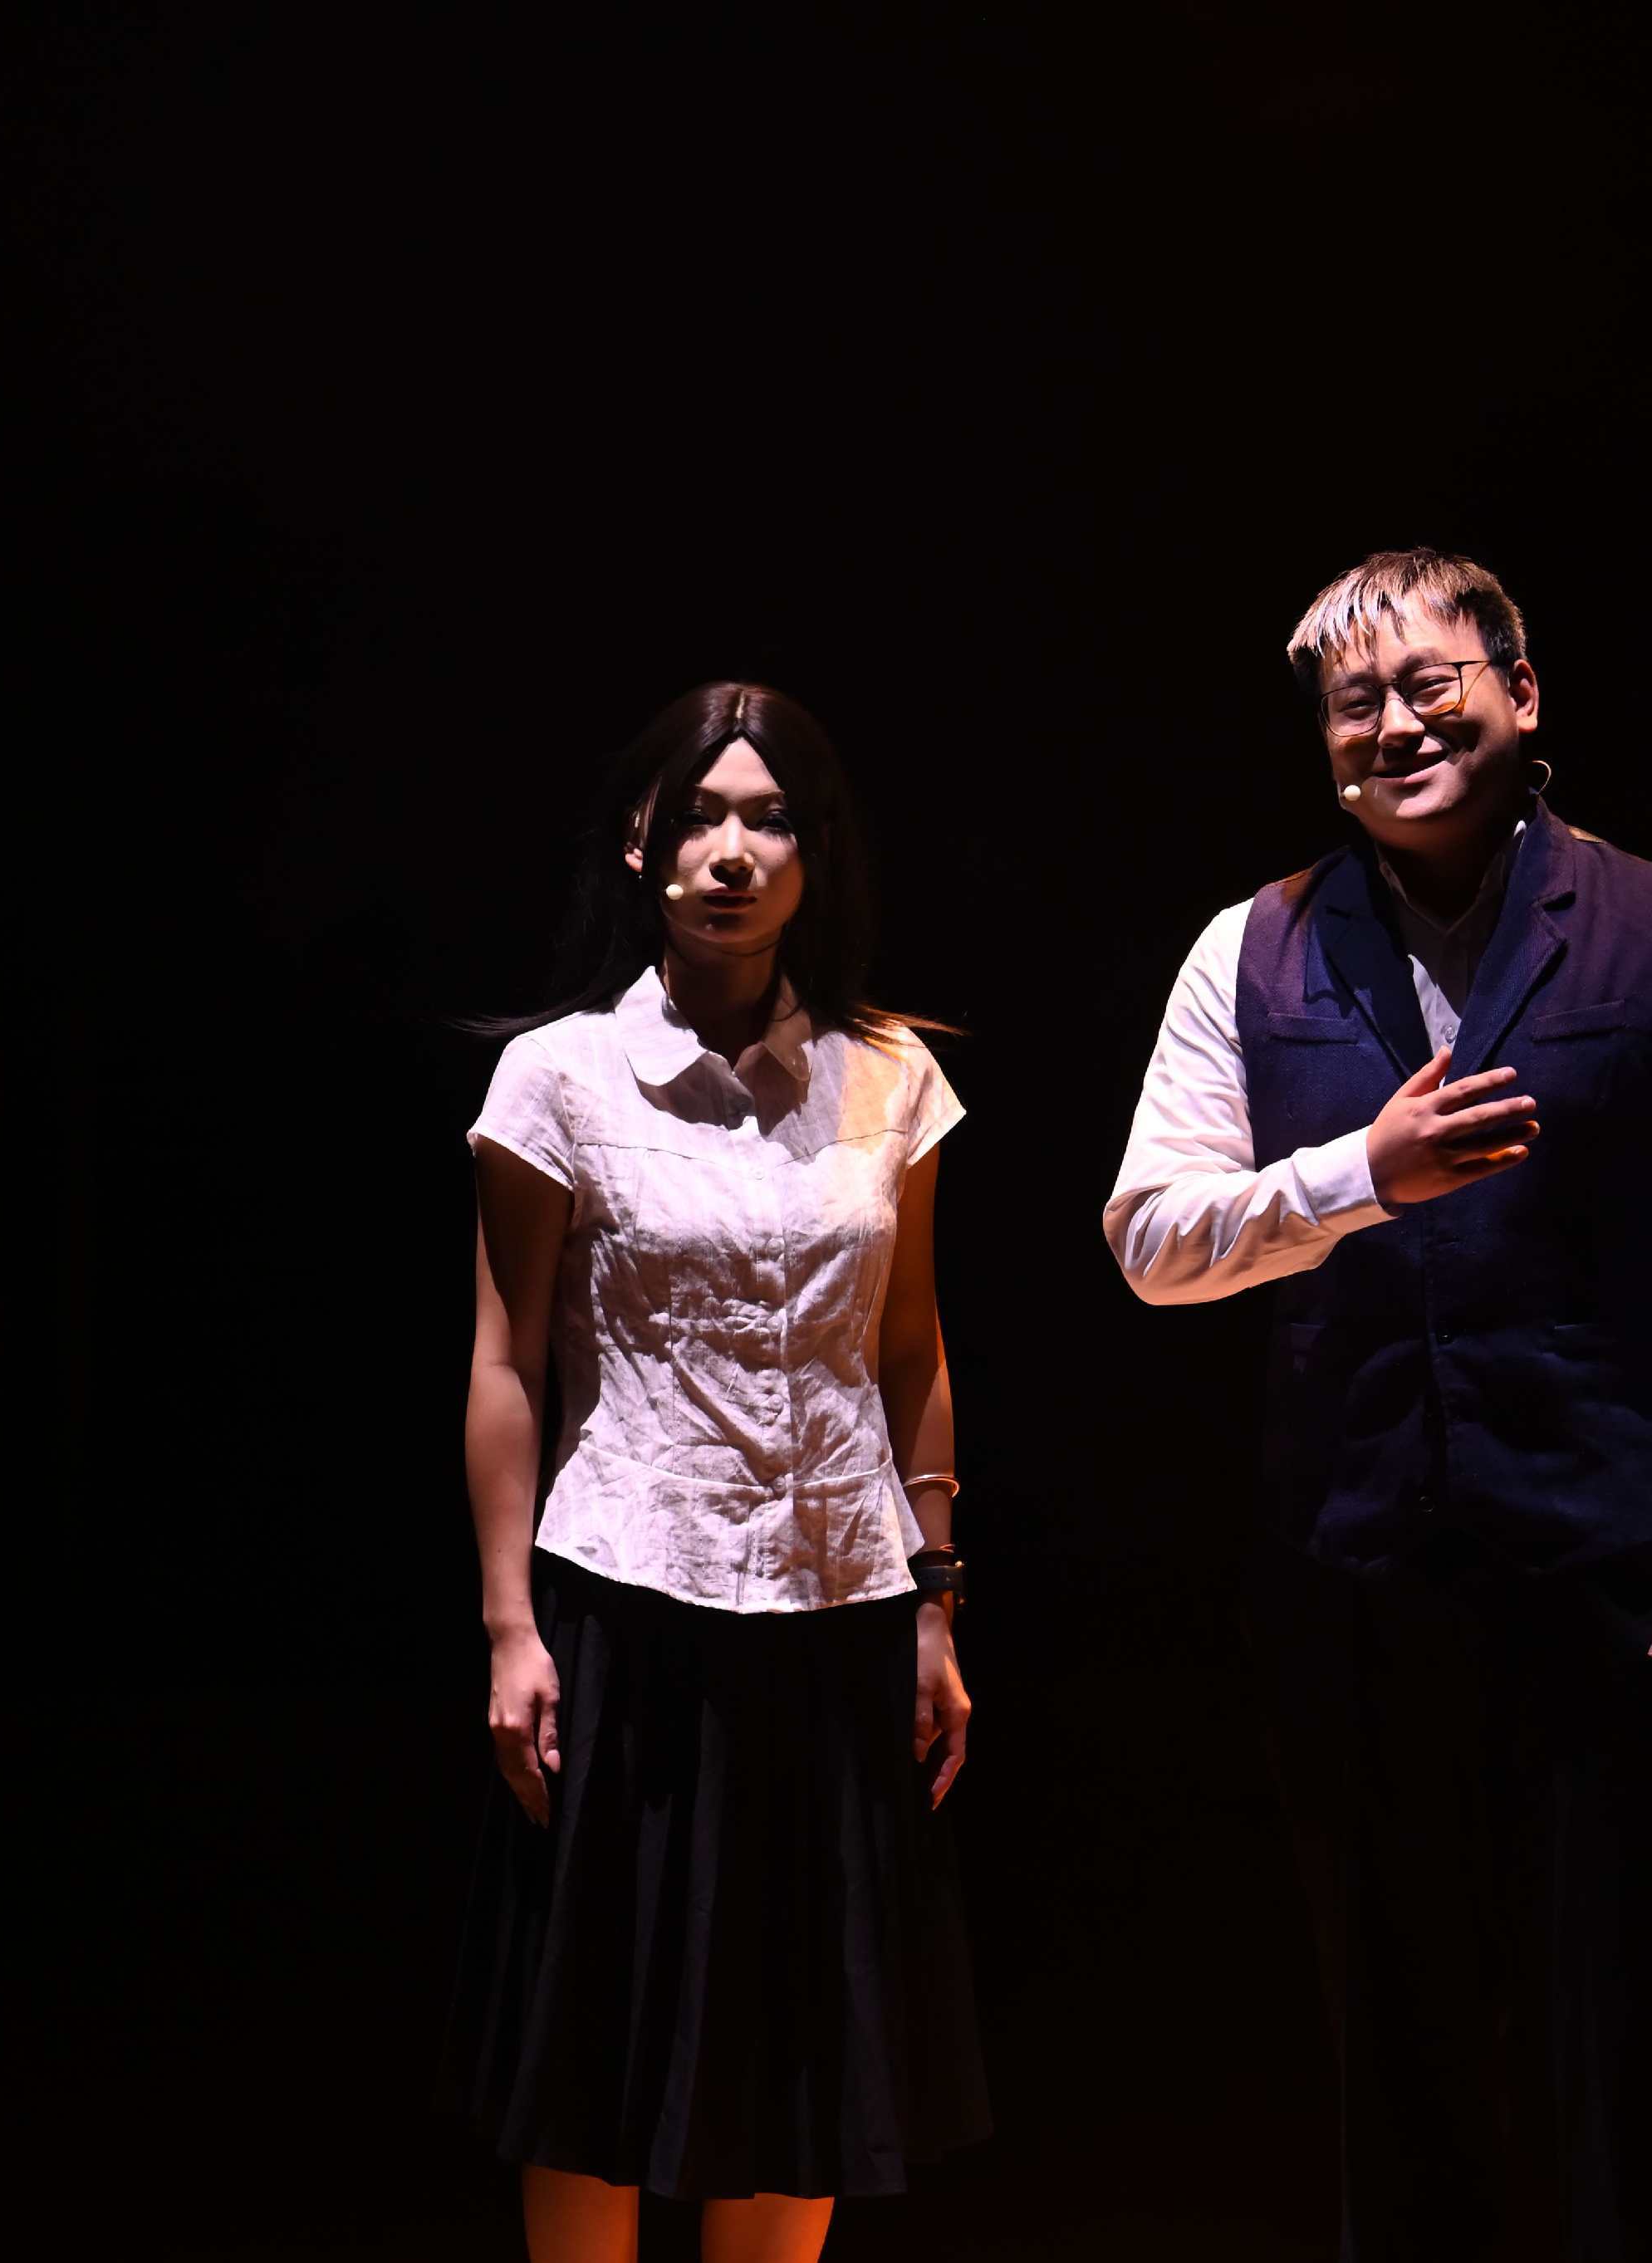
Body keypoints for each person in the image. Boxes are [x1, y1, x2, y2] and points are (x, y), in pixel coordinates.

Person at [1105, 549, 1652, 2261]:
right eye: (1357, 703)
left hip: (1612, 1581)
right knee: (1401, 2058)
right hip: (1357, 1590)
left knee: (1629, 2044)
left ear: (1520, 693)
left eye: (1432, 685)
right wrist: (1361, 1172)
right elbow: (1151, 1241)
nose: (1396, 726)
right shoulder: (1250, 947)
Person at [449, 683, 987, 2263]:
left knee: (797, 2056)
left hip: (836, 1617)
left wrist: (937, 1602)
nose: (733, 851)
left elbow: (910, 1349)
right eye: (700, 814)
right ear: (643, 839)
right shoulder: (557, 1075)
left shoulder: (890, 1076)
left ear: (817, 851)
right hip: (626, 1613)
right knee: (596, 2059)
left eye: (770, 818)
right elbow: (506, 1360)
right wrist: (509, 1626)